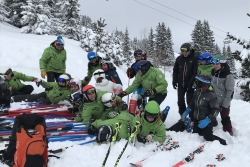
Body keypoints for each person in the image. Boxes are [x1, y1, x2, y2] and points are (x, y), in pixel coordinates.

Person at [168, 75, 227, 145]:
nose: (196, 83)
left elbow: (216, 110)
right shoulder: (197, 92)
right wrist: (187, 111)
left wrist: (208, 120)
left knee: (207, 136)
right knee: (184, 123)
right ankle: (168, 131)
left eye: (199, 82)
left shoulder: (211, 95)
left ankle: (222, 142)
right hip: (196, 119)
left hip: (207, 121)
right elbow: (192, 103)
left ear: (204, 84)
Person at [87, 101, 166, 144]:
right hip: (125, 117)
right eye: (148, 115)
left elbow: (162, 137)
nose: (150, 118)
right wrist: (92, 126)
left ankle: (165, 113)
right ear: (145, 113)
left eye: (153, 116)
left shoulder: (159, 124)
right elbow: (134, 131)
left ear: (157, 115)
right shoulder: (138, 119)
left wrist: (151, 138)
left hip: (125, 117)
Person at [211, 54, 234, 135]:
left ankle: (228, 132)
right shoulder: (213, 72)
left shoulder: (228, 75)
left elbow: (230, 91)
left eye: (217, 64)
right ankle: (210, 128)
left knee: (225, 118)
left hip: (223, 101)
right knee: (210, 115)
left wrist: (225, 105)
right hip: (213, 100)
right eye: (214, 64)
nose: (215, 65)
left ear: (222, 64)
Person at [172, 42, 198, 116]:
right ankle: (183, 116)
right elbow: (175, 70)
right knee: (180, 101)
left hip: (190, 84)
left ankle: (191, 117)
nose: (185, 53)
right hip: (181, 84)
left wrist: (191, 83)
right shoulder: (179, 59)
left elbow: (194, 72)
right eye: (183, 51)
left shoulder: (194, 59)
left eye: (186, 51)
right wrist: (174, 80)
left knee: (189, 101)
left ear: (190, 50)